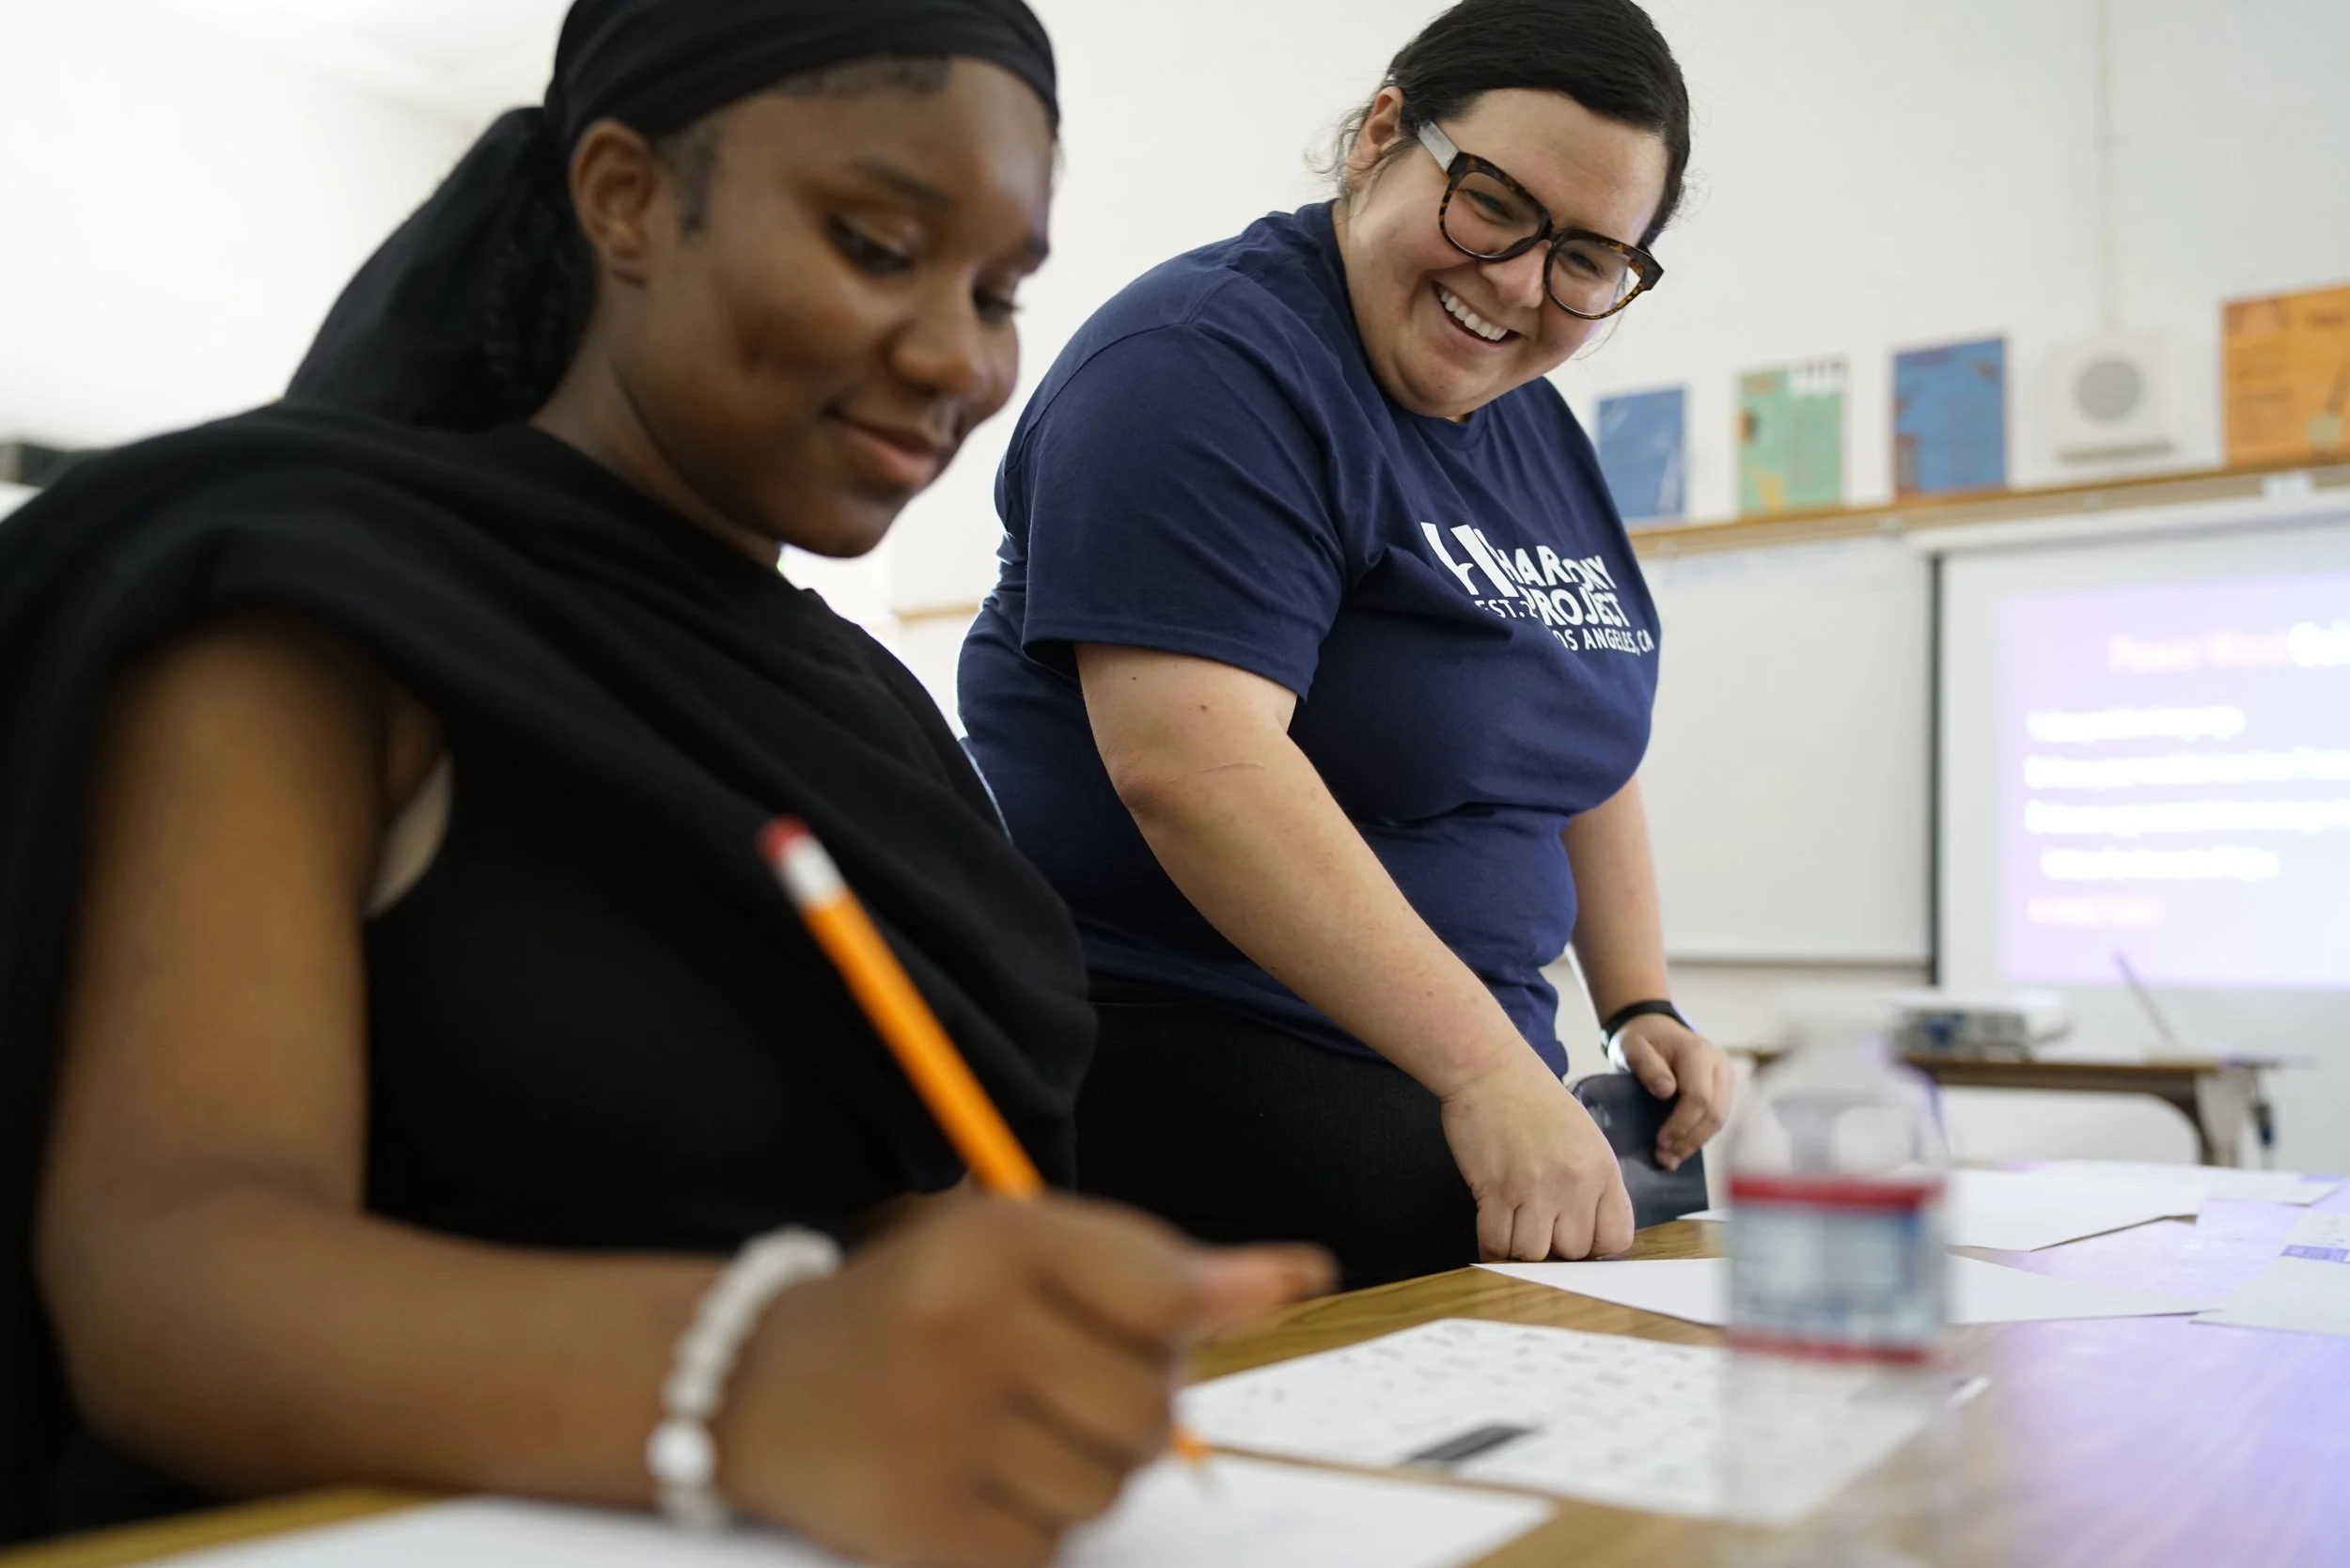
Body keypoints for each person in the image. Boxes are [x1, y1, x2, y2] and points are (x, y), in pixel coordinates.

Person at [0, 3, 1331, 1562]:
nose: (959, 358)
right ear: (626, 197)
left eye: (998, 292)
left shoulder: (872, 712)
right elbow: (165, 1277)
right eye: (877, 245)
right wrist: (770, 1374)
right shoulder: (312, 612)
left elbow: (913, 1186)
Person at [959, 0, 1733, 1289]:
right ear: (1382, 136)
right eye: (1495, 205)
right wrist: (1484, 1073)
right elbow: (1197, 770)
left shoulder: (1532, 426)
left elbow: (1576, 734)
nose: (1520, 284)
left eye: (1590, 260)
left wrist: (1638, 1001)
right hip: (1202, 1051)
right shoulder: (1202, 365)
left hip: (1452, 1074)